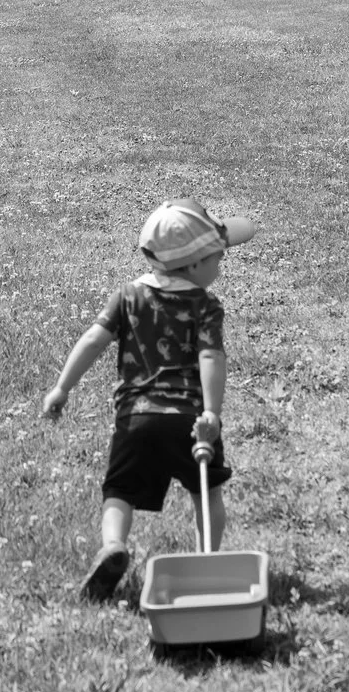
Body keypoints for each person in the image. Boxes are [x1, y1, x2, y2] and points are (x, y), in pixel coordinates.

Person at [41, 199, 257, 601]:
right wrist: (211, 411)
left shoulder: (127, 296)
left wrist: (62, 387)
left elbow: (93, 340)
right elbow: (211, 356)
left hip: (135, 419)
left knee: (119, 491)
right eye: (216, 258)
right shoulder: (204, 305)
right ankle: (207, 560)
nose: (220, 266)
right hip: (189, 418)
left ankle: (113, 546)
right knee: (206, 493)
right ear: (193, 266)